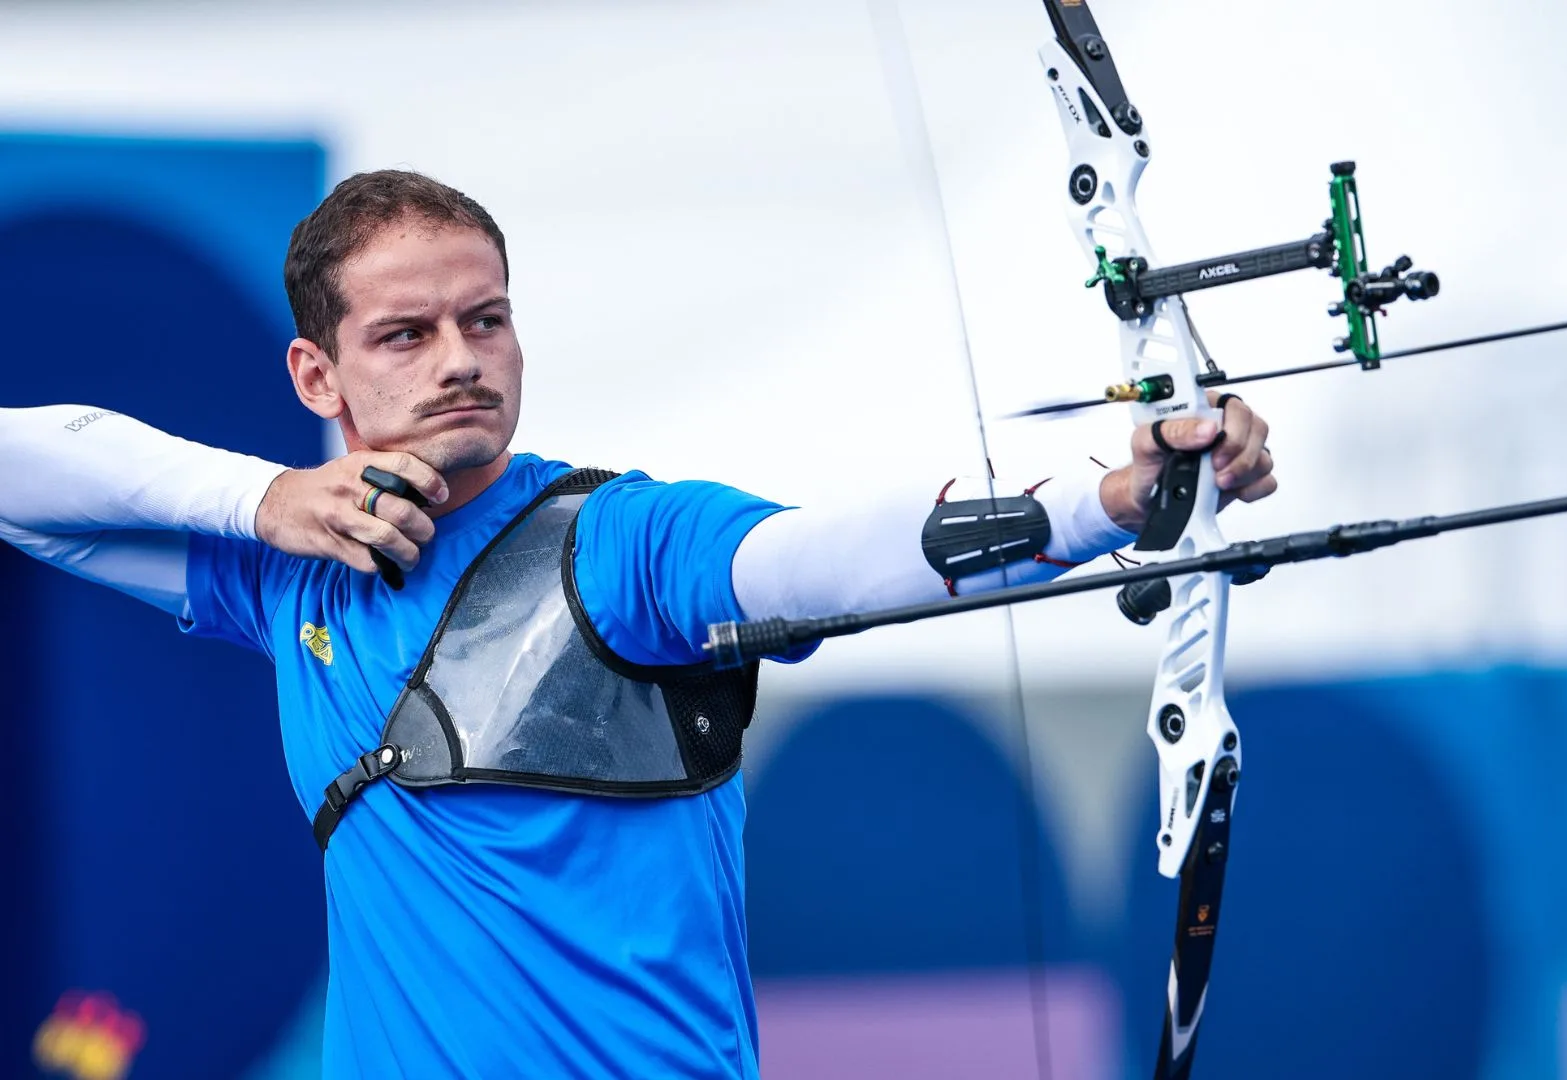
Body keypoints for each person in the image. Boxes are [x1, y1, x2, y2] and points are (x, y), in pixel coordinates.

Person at [0, 169, 1275, 1078]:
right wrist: (262, 496)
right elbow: (26, 483)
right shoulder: (295, 576)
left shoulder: (624, 540)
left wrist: (1113, 499)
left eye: (484, 319)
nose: (460, 358)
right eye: (406, 333)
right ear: (316, 377)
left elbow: (822, 557)